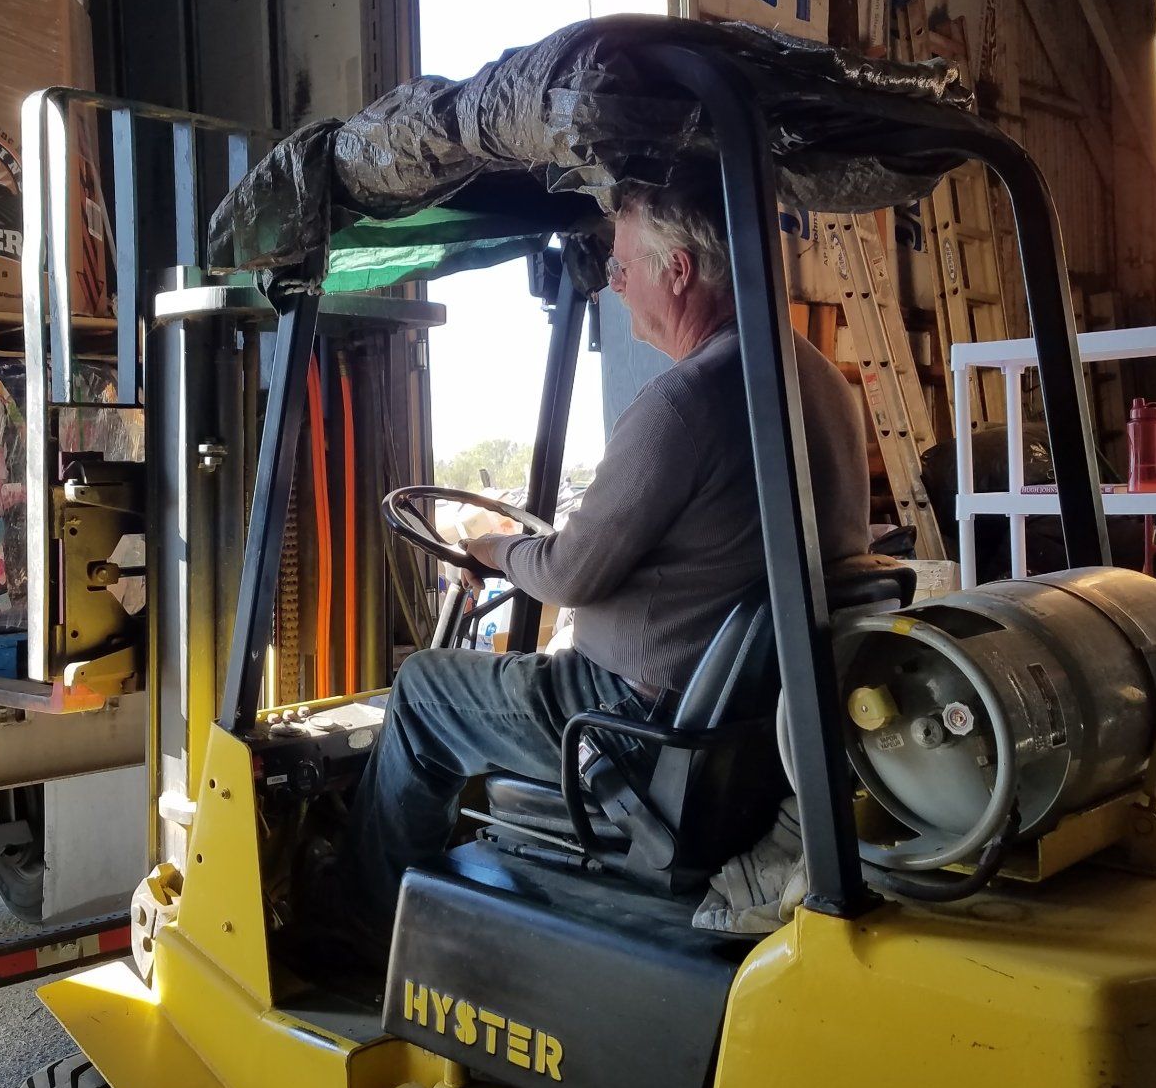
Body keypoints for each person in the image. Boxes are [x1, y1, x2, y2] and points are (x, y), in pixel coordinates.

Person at [335, 176, 872, 936]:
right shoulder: (816, 378)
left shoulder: (683, 404)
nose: (615, 287)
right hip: (743, 718)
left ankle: (361, 926)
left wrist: (489, 545)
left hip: (633, 719)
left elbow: (569, 573)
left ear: (677, 271)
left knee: (424, 689)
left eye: (621, 269)